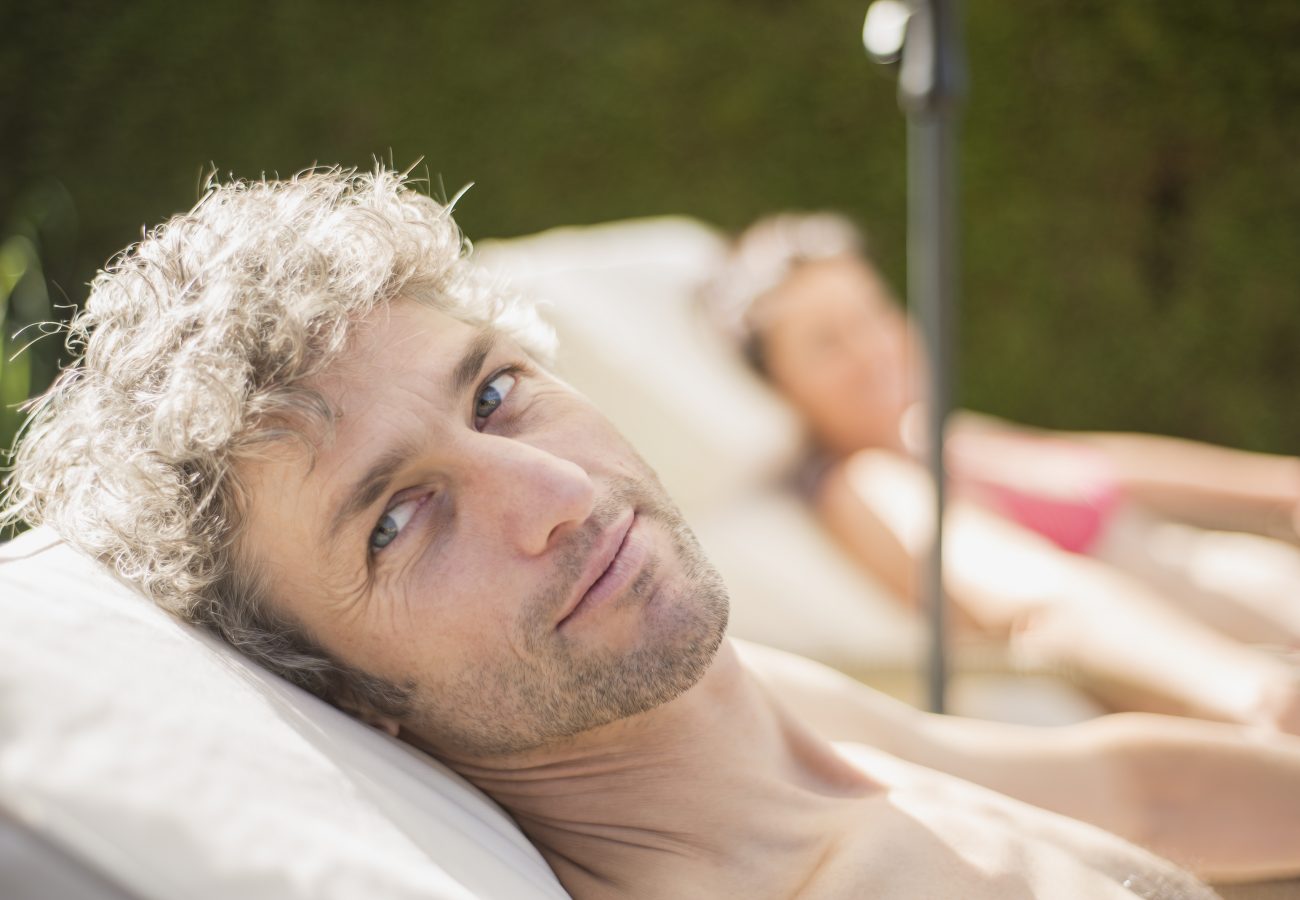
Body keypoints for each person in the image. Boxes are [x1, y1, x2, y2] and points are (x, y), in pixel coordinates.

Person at [4, 168, 1299, 897]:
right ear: (344, 692)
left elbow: (1130, 791)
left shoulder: (737, 716)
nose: (551, 495)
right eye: (399, 518)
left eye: (496, 391)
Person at [704, 212, 1300, 736]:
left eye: (873, 311)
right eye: (826, 343)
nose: (873, 347)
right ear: (782, 390)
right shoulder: (872, 486)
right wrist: (1253, 691)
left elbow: (1100, 468)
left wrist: (1279, 485)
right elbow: (1045, 603)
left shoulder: (933, 438)